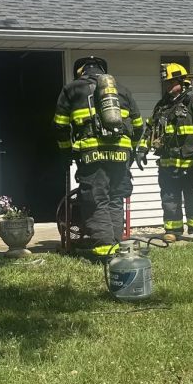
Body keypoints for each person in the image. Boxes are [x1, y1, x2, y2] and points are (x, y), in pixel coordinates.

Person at [53, 55, 143, 259]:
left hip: (92, 154)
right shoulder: (122, 90)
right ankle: (118, 248)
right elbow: (138, 126)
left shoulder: (72, 89)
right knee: (115, 199)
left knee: (96, 200)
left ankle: (105, 251)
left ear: (80, 71)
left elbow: (59, 126)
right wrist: (131, 152)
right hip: (121, 154)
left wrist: (66, 152)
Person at [135, 62, 193, 242]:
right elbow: (150, 130)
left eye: (171, 82)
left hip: (191, 163)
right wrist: (142, 149)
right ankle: (172, 231)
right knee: (169, 198)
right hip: (168, 163)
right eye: (166, 82)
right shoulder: (162, 106)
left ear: (182, 81)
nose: (168, 86)